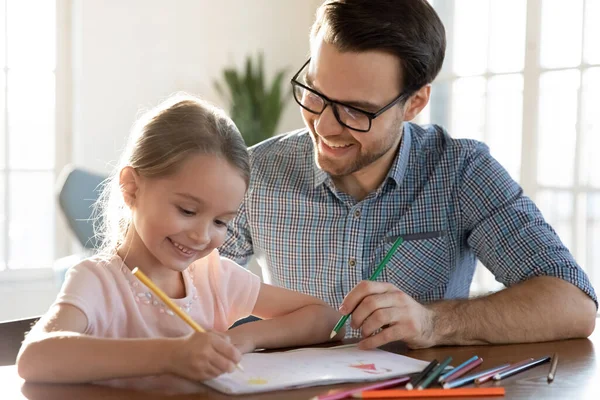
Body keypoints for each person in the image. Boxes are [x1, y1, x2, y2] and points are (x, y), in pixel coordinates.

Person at [220, 0, 597, 350]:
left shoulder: (461, 172)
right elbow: (186, 293)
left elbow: (573, 303)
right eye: (316, 93)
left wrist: (433, 322)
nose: (325, 126)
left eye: (355, 110)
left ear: (415, 103)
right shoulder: (255, 173)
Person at [16, 94, 343, 390]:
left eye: (220, 221)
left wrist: (239, 339)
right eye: (187, 210)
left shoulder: (214, 277)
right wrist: (170, 354)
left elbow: (327, 320)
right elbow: (35, 357)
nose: (202, 236)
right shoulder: (98, 280)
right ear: (131, 189)